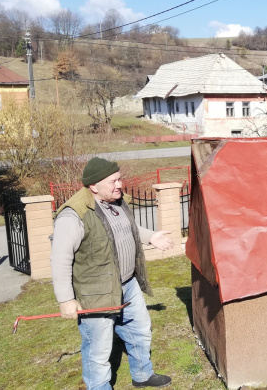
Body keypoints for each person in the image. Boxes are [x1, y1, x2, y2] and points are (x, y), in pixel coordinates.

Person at [51, 157, 174, 389]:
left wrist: (151, 237)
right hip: (95, 293)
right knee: (98, 347)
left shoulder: (115, 202)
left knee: (139, 331)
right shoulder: (74, 214)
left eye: (120, 179)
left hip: (127, 284)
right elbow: (60, 258)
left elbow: (127, 228)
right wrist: (66, 299)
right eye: (113, 181)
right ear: (94, 186)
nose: (120, 185)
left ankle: (142, 374)